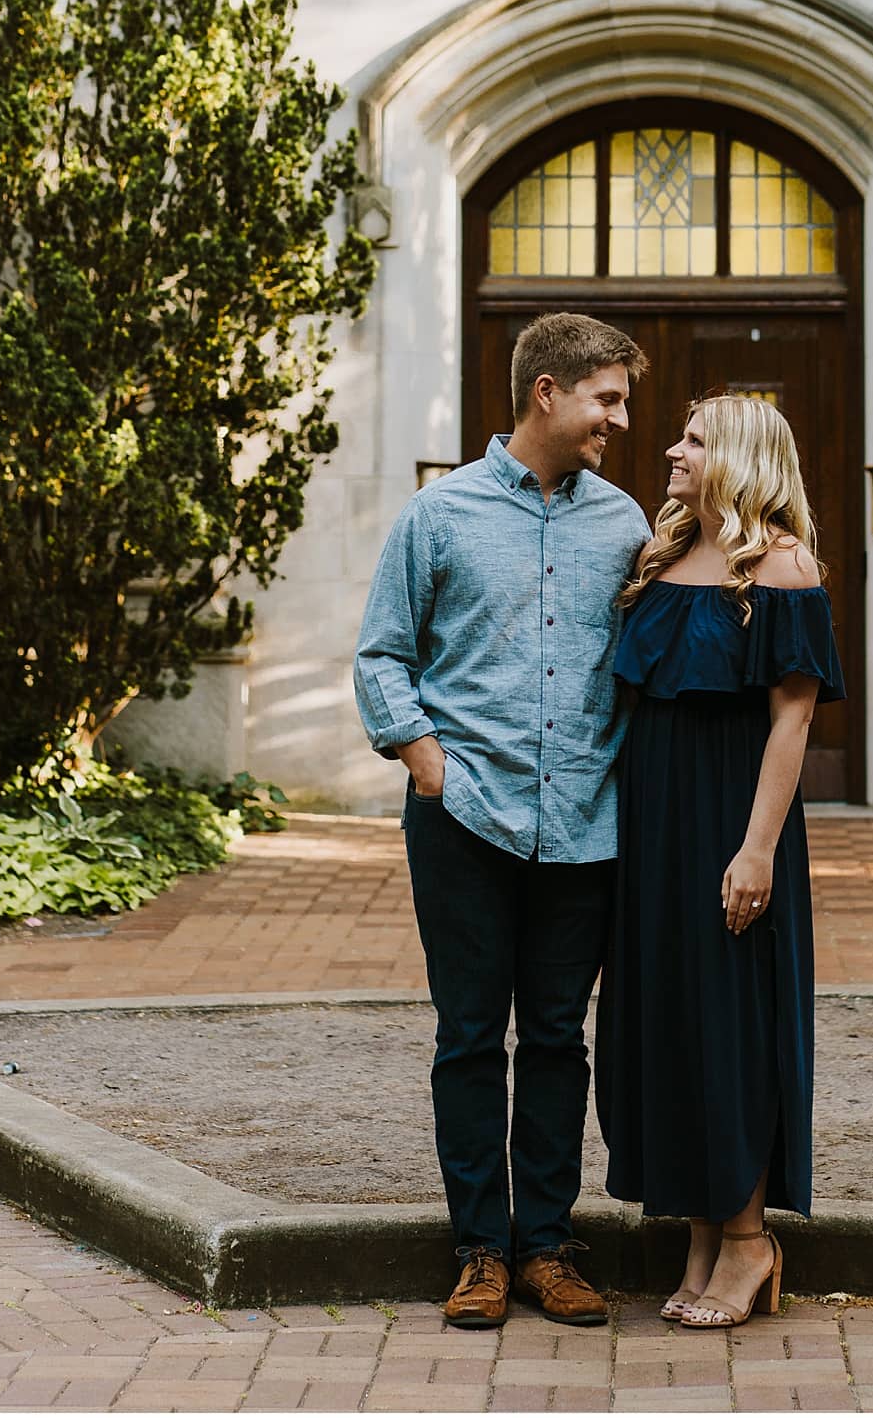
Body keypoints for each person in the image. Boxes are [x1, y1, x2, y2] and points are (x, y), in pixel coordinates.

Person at [353, 312, 651, 1330]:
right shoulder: (438, 516)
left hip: (584, 821)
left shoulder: (625, 523)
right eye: (607, 397)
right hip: (463, 816)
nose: (620, 417)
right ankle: (479, 1248)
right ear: (547, 393)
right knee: (472, 1035)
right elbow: (382, 653)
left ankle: (549, 1246)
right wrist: (425, 761)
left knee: (561, 1036)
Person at [596, 394, 844, 1327]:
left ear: (737, 454)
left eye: (692, 440)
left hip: (732, 823)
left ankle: (749, 1242)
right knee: (671, 1019)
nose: (670, 447)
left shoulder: (782, 564)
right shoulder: (664, 555)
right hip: (654, 825)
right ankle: (702, 1233)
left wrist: (756, 849)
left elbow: (794, 717)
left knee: (729, 1023)